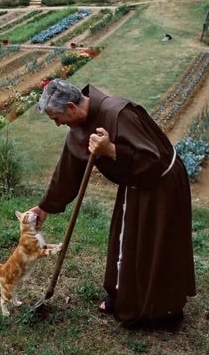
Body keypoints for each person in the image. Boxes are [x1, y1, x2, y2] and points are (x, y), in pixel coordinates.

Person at [29, 78, 196, 328]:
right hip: (134, 184)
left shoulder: (118, 113)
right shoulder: (79, 126)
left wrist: (111, 151)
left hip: (161, 185)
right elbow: (67, 173)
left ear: (72, 108)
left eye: (56, 118)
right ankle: (122, 294)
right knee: (126, 239)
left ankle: (159, 311)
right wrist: (44, 207)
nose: (57, 124)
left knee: (154, 246)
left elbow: (154, 160)